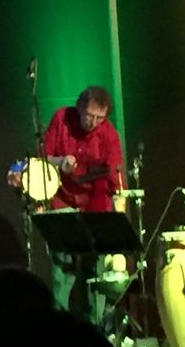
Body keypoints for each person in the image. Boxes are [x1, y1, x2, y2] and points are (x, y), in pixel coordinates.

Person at [40, 86, 126, 324]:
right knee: (62, 270)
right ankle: (58, 325)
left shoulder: (108, 135)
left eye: (100, 118)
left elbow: (116, 178)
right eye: (89, 116)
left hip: (94, 203)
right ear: (79, 108)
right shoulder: (61, 118)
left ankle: (94, 326)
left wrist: (118, 216)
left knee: (94, 272)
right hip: (62, 198)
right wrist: (60, 162)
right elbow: (43, 157)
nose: (93, 122)